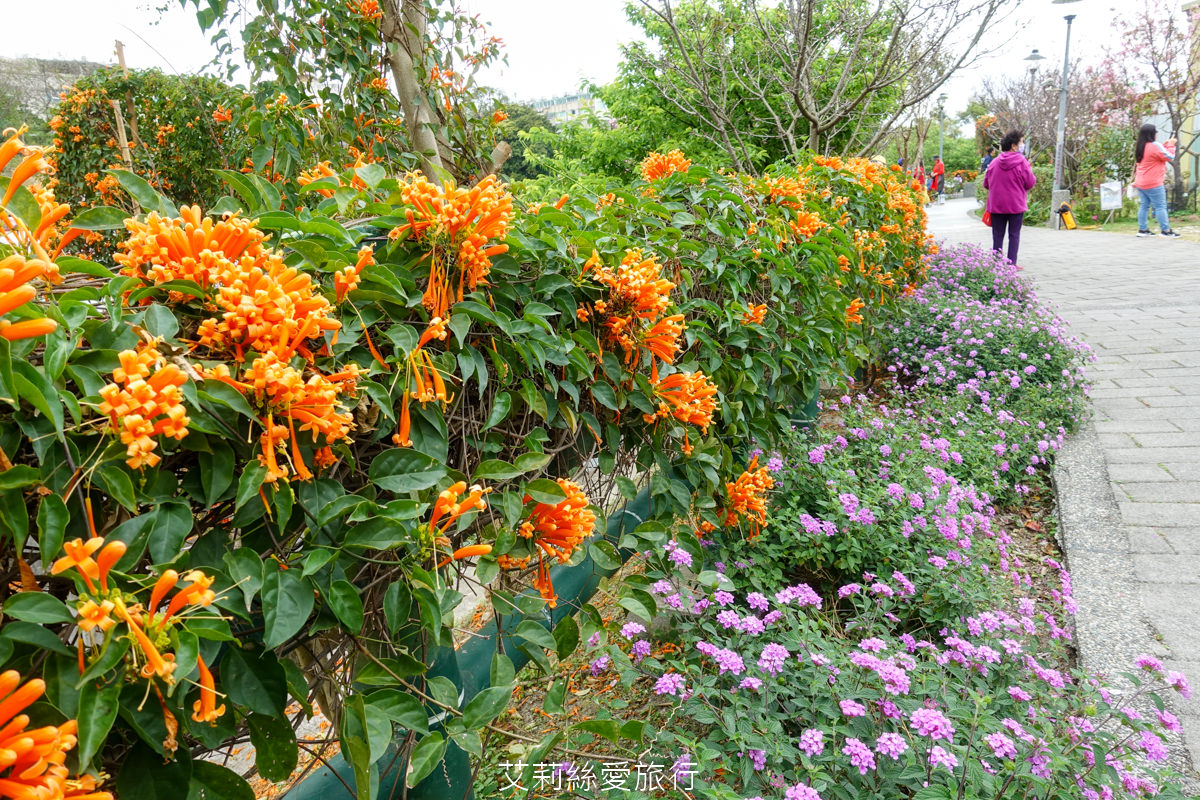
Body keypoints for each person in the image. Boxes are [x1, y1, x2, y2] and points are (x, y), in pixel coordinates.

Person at [983, 129, 1037, 267]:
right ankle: (1011, 264)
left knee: (997, 235)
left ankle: (996, 263)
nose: (1023, 144)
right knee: (1014, 235)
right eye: (1021, 142)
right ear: (1014, 145)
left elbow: (986, 183)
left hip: (996, 205)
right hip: (1015, 205)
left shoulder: (994, 162)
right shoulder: (1022, 162)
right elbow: (1030, 182)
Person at [1132, 123, 1181, 238]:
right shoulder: (1154, 145)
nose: (1157, 133)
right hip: (1154, 183)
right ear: (1152, 133)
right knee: (1160, 206)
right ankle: (1166, 231)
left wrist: (1165, 145)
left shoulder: (1140, 146)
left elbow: (1156, 154)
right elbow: (1169, 156)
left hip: (1141, 182)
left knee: (1144, 205)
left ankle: (1142, 229)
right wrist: (1172, 145)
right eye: (1156, 131)